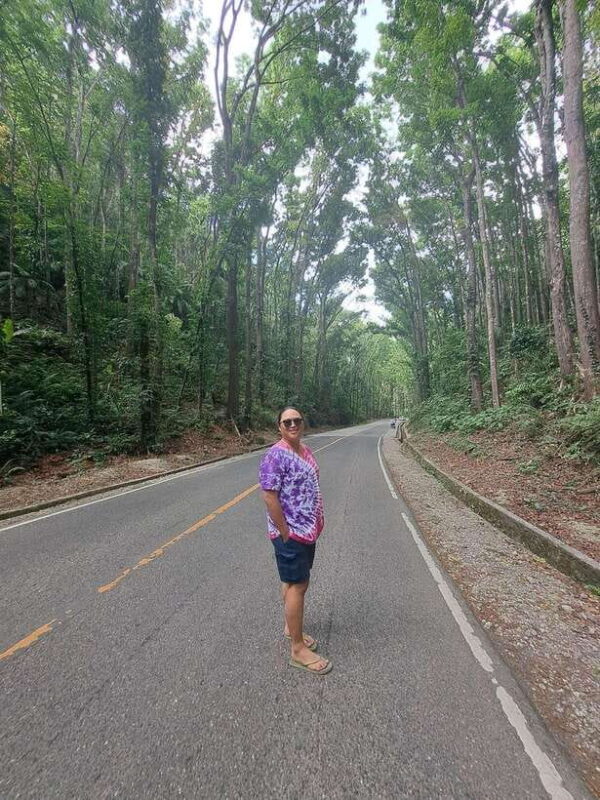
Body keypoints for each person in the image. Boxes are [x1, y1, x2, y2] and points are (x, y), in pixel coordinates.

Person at [259, 407, 332, 675]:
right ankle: (298, 650)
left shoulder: (304, 450)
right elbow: (269, 496)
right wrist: (285, 531)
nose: (292, 424)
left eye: (296, 420)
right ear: (279, 426)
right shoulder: (275, 456)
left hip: (307, 528)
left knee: (291, 582)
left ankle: (291, 627)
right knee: (299, 584)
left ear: (302, 423)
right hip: (290, 532)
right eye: (286, 421)